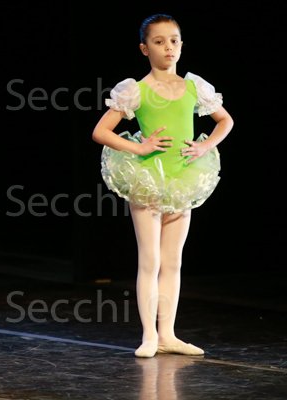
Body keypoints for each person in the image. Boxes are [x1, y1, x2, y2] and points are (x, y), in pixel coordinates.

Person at [92, 14, 234, 358]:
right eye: (159, 41)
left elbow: (225, 120)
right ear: (145, 49)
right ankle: (149, 336)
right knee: (150, 260)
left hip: (183, 179)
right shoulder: (136, 90)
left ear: (181, 45)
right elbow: (100, 131)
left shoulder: (193, 87)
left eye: (174, 40)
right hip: (148, 181)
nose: (168, 47)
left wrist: (205, 146)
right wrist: (139, 148)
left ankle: (168, 334)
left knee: (173, 262)